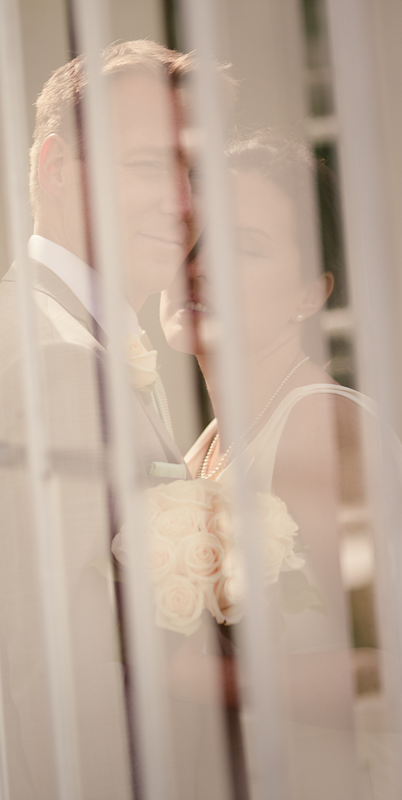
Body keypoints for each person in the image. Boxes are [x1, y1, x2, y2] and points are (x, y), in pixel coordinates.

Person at [0, 40, 201, 799]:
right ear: (53, 165)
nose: (181, 200)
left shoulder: (36, 330)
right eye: (147, 165)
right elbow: (59, 676)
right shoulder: (54, 355)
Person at [160, 132, 398, 798]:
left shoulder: (319, 424)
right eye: (193, 236)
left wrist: (180, 674)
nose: (198, 266)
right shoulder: (204, 445)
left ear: (310, 293)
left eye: (244, 246)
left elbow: (385, 668)